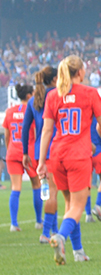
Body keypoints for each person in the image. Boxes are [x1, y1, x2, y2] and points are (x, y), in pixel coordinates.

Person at [37, 56, 101, 264]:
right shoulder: (90, 93)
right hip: (78, 156)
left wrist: (41, 161)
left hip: (57, 155)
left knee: (69, 204)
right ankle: (60, 236)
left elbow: (47, 131)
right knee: (78, 205)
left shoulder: (54, 95)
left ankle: (78, 252)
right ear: (80, 72)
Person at [23, 66, 56, 240]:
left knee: (48, 192)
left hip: (38, 152)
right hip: (54, 150)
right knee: (53, 192)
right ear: (54, 79)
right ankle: (45, 233)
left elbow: (25, 127)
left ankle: (54, 230)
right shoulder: (57, 95)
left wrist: (24, 153)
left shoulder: (33, 100)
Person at [4, 83, 42, 232]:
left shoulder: (9, 111)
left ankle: (14, 224)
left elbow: (7, 135)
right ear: (28, 96)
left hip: (13, 151)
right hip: (29, 153)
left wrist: (10, 150)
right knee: (36, 185)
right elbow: (33, 131)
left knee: (15, 187)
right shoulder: (32, 109)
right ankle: (39, 221)